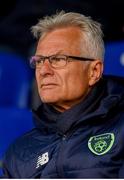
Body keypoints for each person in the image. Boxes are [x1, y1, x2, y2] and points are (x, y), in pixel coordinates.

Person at [2, 11, 124, 178]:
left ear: (94, 71)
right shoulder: (18, 153)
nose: (43, 71)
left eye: (58, 59)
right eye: (39, 61)